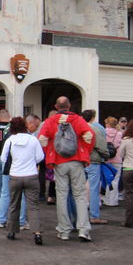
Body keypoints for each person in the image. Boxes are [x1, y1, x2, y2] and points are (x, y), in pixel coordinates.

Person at [39, 96, 95, 242]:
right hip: (77, 161)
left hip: (59, 161)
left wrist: (50, 153)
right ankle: (83, 229)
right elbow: (89, 135)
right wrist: (85, 152)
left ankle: (64, 230)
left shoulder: (50, 121)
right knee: (80, 195)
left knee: (62, 195)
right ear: (69, 106)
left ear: (56, 106)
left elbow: (42, 139)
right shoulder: (77, 119)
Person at [1, 117, 45, 245]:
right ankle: (37, 233)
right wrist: (31, 162)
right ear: (25, 126)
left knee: (14, 205)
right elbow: (40, 157)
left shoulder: (10, 140)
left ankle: (11, 231)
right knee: (33, 206)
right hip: (31, 175)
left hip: (15, 175)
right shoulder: (33, 139)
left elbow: (3, 158)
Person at [81, 109, 109, 224]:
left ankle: (79, 215)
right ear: (93, 117)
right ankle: (94, 216)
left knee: (78, 189)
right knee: (93, 189)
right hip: (93, 160)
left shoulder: (77, 128)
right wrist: (106, 155)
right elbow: (101, 146)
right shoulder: (95, 129)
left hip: (80, 160)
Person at [104, 117, 123, 206]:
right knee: (115, 180)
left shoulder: (103, 132)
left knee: (106, 179)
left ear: (107, 124)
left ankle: (106, 199)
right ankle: (113, 201)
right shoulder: (119, 134)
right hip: (117, 158)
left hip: (106, 158)